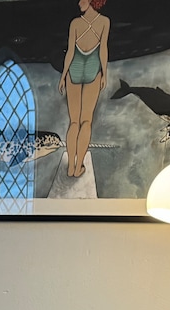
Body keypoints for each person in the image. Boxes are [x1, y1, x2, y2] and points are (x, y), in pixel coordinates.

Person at [59, 0, 110, 178]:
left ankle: (71, 167)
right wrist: (104, 74)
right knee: (86, 121)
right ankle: (78, 166)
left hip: (74, 69)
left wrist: (63, 75)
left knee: (74, 122)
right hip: (93, 69)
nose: (79, 2)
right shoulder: (104, 22)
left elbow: (70, 52)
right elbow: (103, 50)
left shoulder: (75, 23)